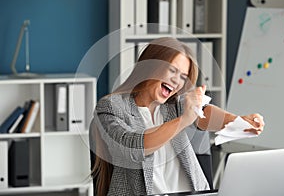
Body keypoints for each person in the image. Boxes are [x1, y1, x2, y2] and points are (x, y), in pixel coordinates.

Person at [89, 37, 264, 196]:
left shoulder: (173, 105)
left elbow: (204, 113)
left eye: (183, 77)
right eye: (172, 71)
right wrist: (183, 121)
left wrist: (240, 121)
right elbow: (133, 149)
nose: (176, 81)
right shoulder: (112, 106)